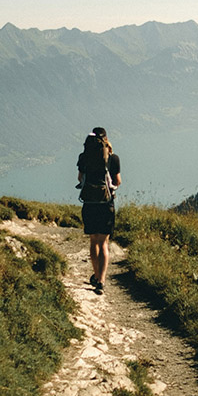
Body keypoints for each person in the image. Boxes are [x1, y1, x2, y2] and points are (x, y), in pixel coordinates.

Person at [77, 126, 121, 295]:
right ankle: (101, 281)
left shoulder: (83, 157)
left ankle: (96, 275)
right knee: (104, 243)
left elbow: (80, 178)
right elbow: (117, 181)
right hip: (106, 204)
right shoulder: (113, 158)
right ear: (106, 139)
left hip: (89, 203)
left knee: (93, 241)